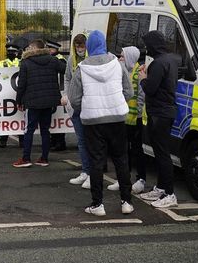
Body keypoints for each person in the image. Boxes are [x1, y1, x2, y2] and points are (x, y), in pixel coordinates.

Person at [67, 30, 134, 216]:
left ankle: (98, 204)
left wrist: (87, 107)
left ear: (89, 47)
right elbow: (129, 92)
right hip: (117, 117)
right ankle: (126, 201)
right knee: (121, 160)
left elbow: (74, 98)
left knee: (96, 161)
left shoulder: (82, 68)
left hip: (93, 121)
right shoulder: (117, 64)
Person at [138, 30, 181, 208]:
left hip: (159, 113)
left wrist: (142, 79)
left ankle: (169, 194)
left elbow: (151, 88)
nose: (146, 49)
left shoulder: (157, 63)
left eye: (147, 45)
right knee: (161, 153)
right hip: (167, 111)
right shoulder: (170, 60)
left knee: (162, 155)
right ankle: (161, 188)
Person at [13, 39, 66, 168]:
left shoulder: (26, 63)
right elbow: (65, 70)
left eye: (30, 47)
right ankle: (44, 158)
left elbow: (21, 84)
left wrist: (18, 100)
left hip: (32, 101)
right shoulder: (53, 60)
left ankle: (26, 158)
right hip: (49, 101)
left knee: (29, 130)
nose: (28, 49)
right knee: (45, 130)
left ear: (34, 48)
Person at [107, 46, 147, 194]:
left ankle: (141, 179)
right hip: (122, 117)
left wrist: (138, 114)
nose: (120, 59)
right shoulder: (121, 72)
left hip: (135, 118)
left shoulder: (139, 72)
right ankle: (123, 179)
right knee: (123, 150)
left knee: (137, 150)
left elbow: (141, 97)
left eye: (122, 57)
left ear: (129, 58)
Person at [62, 33, 90, 189]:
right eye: (77, 46)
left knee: (90, 140)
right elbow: (67, 78)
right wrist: (66, 94)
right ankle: (85, 171)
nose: (79, 49)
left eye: (82, 46)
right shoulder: (71, 60)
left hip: (89, 105)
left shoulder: (90, 59)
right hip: (75, 106)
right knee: (81, 140)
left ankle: (92, 172)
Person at [0, 44, 21, 148]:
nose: (11, 53)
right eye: (9, 51)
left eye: (13, 52)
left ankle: (22, 140)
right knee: (5, 117)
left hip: (18, 93)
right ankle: (3, 140)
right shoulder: (2, 63)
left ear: (16, 53)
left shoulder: (21, 62)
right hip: (5, 93)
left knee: (20, 117)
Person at [46, 39, 67, 152]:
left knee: (59, 117)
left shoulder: (60, 60)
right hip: (54, 91)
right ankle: (54, 140)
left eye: (50, 48)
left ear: (55, 49)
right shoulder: (53, 59)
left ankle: (59, 142)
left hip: (60, 91)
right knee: (54, 118)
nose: (48, 50)